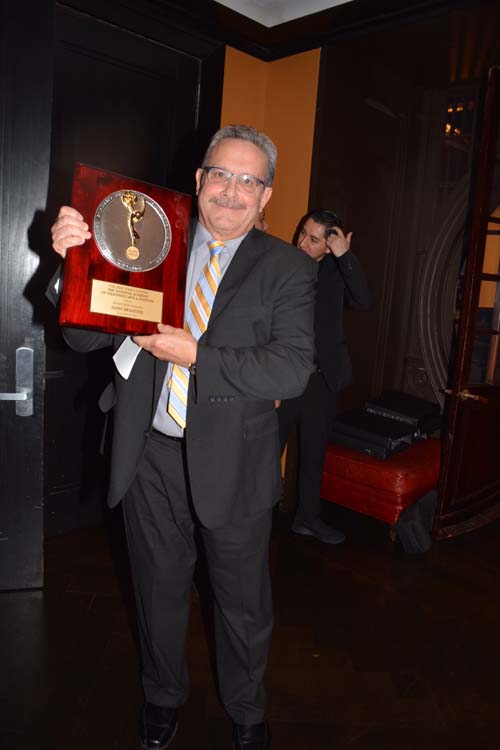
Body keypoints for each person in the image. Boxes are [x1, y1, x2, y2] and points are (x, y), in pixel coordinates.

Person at [49, 125, 317, 750]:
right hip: (151, 456)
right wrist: (74, 262)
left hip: (237, 464)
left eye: (249, 181)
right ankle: (162, 696)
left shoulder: (286, 269)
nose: (232, 190)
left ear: (267, 195)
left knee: (241, 604)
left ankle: (247, 709)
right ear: (199, 181)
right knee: (158, 590)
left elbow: (291, 367)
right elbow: (86, 336)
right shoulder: (148, 243)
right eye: (221, 174)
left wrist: (196, 353)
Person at [278, 209, 371, 545]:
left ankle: (307, 519)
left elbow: (362, 300)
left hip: (320, 380)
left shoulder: (334, 271)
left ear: (328, 247)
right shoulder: (283, 263)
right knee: (266, 451)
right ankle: (252, 518)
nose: (302, 242)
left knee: (314, 455)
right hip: (284, 376)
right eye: (302, 233)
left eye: (313, 239)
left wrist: (345, 256)